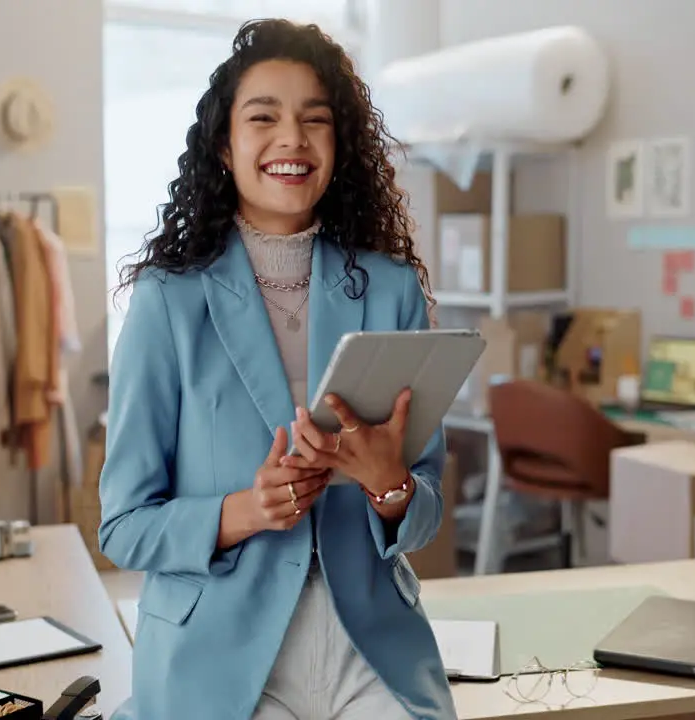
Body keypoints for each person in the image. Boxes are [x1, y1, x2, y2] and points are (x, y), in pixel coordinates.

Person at [100, 17, 457, 720]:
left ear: (338, 147)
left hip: (368, 644)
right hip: (220, 653)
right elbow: (122, 527)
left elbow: (427, 510)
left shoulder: (391, 290)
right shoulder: (168, 299)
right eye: (264, 117)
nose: (292, 139)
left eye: (314, 121)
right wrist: (243, 511)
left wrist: (391, 487)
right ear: (225, 148)